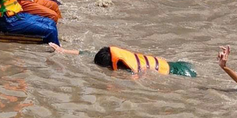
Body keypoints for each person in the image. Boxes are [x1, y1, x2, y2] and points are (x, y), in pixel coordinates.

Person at [49, 43, 196, 77]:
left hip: (180, 73)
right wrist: (63, 51)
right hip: (178, 63)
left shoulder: (127, 67)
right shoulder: (113, 54)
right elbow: (86, 53)